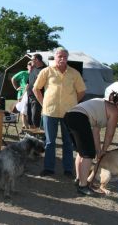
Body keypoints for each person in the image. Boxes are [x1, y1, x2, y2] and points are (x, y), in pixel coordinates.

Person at [64, 92, 118, 195]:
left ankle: (79, 180)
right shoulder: (113, 111)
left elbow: (96, 133)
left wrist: (99, 151)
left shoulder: (103, 106)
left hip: (69, 116)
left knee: (82, 152)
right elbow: (110, 134)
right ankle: (83, 186)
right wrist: (104, 150)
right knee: (88, 154)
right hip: (78, 117)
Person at [33, 47, 86, 177]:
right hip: (50, 112)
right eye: (59, 56)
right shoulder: (46, 71)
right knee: (50, 142)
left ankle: (68, 169)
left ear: (67, 58)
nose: (62, 59)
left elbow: (82, 91)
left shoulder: (74, 73)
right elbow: (36, 89)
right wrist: (43, 103)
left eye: (64, 57)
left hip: (69, 113)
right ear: (55, 57)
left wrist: (73, 104)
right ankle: (48, 168)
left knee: (68, 142)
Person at [27, 53, 46, 129]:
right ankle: (32, 136)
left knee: (35, 118)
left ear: (37, 60)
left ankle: (39, 136)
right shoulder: (33, 69)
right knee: (30, 118)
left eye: (32, 59)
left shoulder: (44, 70)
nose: (31, 61)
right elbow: (28, 83)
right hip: (29, 96)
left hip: (37, 97)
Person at [14, 61, 34, 129]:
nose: (31, 66)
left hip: (30, 94)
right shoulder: (23, 73)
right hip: (22, 94)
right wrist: (16, 87)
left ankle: (25, 126)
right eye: (29, 64)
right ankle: (25, 127)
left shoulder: (34, 74)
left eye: (32, 64)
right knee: (23, 112)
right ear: (27, 66)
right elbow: (13, 79)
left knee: (28, 112)